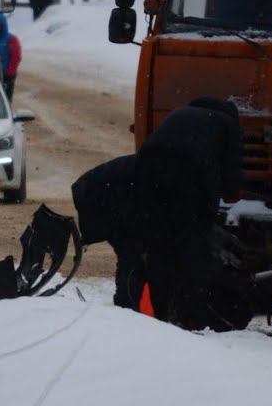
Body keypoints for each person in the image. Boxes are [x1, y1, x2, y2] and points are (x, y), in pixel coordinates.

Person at [134, 97, 244, 331]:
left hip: (148, 169)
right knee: (191, 248)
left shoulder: (179, 112)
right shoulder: (229, 123)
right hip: (190, 177)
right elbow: (232, 171)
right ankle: (192, 318)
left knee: (158, 246)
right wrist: (231, 193)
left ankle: (160, 313)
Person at [71, 155, 144, 310]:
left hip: (105, 194)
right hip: (105, 198)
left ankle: (127, 305)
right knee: (131, 256)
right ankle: (127, 306)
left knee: (131, 255)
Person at [5, 30, 22, 101]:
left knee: (6, 98)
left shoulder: (11, 39)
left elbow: (16, 57)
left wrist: (9, 73)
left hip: (7, 75)